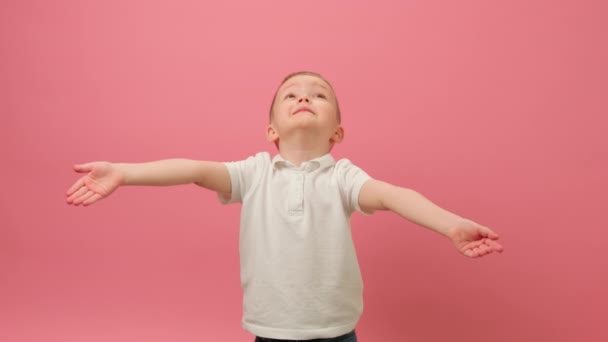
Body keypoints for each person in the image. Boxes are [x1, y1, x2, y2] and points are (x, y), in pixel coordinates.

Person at [66, 71, 504, 342]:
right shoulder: (253, 173)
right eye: (291, 94)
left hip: (336, 334)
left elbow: (394, 196)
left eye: (319, 95)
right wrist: (124, 171)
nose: (304, 98)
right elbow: (194, 169)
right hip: (270, 333)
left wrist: (450, 225)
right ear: (272, 129)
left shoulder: (343, 177)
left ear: (337, 134)